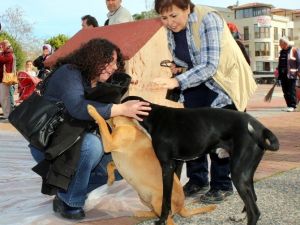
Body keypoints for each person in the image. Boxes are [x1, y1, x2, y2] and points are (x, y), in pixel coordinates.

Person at [29, 38, 151, 220]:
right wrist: (122, 108)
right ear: (92, 58)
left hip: (74, 140)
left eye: (115, 63)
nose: (113, 67)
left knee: (120, 163)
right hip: (50, 142)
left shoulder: (98, 82)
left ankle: (65, 194)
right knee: (92, 145)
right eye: (108, 62)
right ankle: (71, 201)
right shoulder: (69, 73)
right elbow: (78, 107)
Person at [153, 0, 256, 204]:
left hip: (223, 81)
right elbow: (186, 59)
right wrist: (179, 68)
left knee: (219, 133)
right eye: (164, 18)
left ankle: (222, 185)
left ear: (187, 8)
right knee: (192, 130)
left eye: (173, 16)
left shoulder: (208, 19)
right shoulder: (170, 29)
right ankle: (198, 180)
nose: (169, 23)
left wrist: (176, 80)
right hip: (196, 80)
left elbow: (210, 65)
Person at [278, 36, 298, 112]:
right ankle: (288, 105)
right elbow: (280, 64)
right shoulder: (281, 52)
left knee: (291, 90)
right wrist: (279, 75)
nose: (279, 45)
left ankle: (293, 105)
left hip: (291, 75)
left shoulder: (294, 50)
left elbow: (299, 62)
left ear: (285, 43)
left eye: (280, 44)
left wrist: (298, 72)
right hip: (283, 75)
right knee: (285, 91)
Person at [0, 40, 16, 120]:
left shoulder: (9, 54)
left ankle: (8, 115)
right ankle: (7, 114)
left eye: (2, 45)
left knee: (4, 97)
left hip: (5, 79)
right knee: (3, 97)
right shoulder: (4, 54)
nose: (1, 47)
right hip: (2, 79)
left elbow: (1, 60)